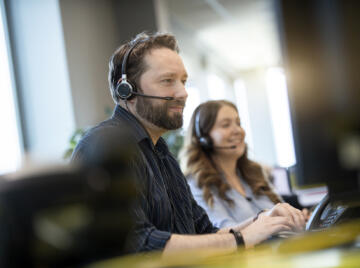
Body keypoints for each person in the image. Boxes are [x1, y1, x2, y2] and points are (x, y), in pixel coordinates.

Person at [71, 32, 305, 255]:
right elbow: (139, 246)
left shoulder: (162, 154)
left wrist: (263, 220)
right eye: (167, 81)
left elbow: (205, 233)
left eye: (183, 81)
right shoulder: (105, 146)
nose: (183, 92)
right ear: (127, 90)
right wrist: (243, 239)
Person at [181, 100, 289, 228]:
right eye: (226, 125)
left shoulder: (254, 172)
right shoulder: (197, 182)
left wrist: (299, 218)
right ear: (204, 139)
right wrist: (267, 219)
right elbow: (222, 232)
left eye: (238, 123)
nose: (238, 130)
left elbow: (283, 212)